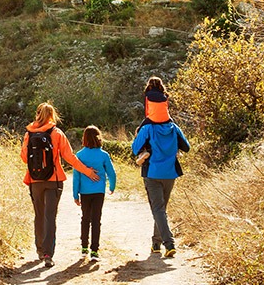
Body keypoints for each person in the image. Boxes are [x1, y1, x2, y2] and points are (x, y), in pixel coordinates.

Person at [21, 102, 99, 268]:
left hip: (35, 181)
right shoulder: (56, 133)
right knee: (50, 216)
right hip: (54, 181)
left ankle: (40, 250)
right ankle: (49, 254)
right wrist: (87, 172)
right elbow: (69, 157)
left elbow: (23, 157)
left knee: (39, 215)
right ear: (52, 115)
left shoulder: (28, 134)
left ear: (37, 114)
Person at [131, 112, 190, 258]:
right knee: (161, 210)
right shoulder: (174, 127)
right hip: (170, 173)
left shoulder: (147, 129)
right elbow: (186, 147)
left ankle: (169, 243)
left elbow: (134, 148)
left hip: (152, 174)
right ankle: (156, 244)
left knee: (158, 209)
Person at [72, 125, 117, 261]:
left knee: (85, 218)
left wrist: (75, 194)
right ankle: (95, 251)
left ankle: (84, 247)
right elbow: (112, 173)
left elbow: (76, 177)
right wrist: (112, 186)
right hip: (98, 192)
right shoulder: (103, 155)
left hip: (84, 192)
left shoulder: (79, 155)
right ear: (99, 138)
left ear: (84, 138)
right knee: (96, 220)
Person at [135, 76, 172, 166]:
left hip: (153, 118)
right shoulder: (165, 96)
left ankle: (142, 151)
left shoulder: (148, 95)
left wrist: (149, 120)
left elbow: (147, 111)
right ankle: (177, 150)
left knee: (139, 131)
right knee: (175, 130)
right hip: (166, 119)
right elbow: (166, 108)